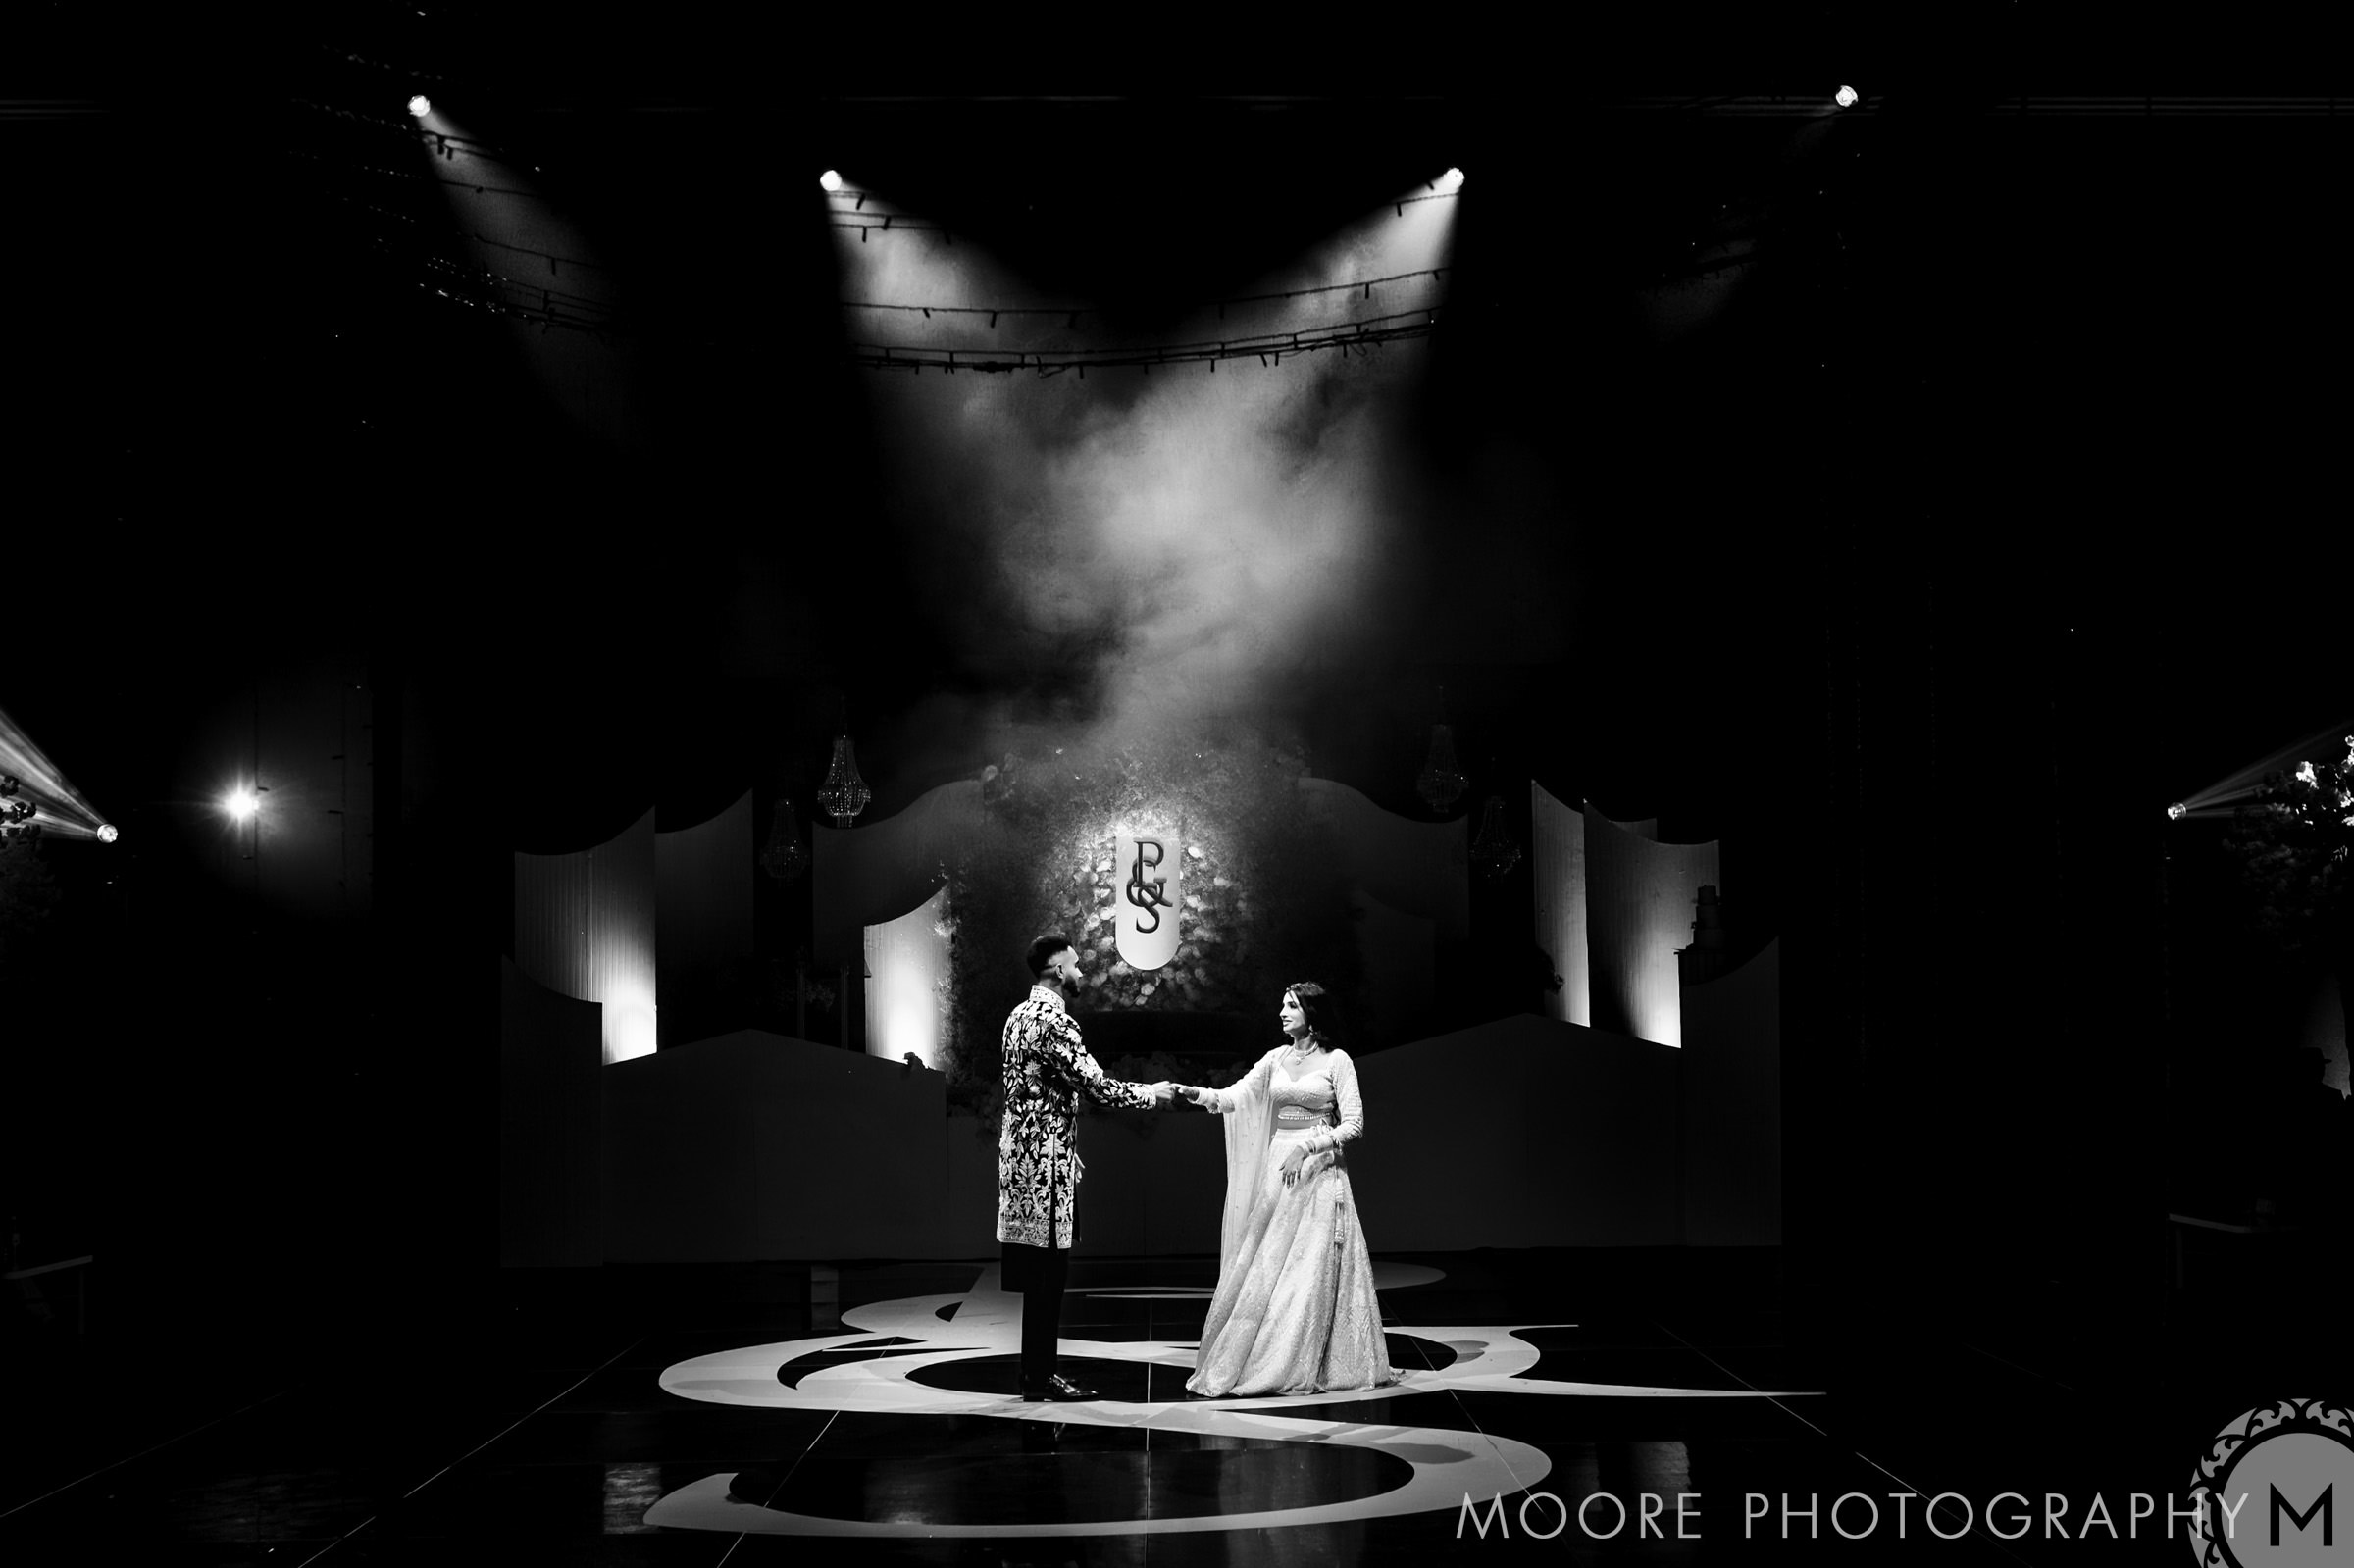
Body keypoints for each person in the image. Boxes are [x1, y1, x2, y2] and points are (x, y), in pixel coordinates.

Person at [1179, 981, 1396, 1397]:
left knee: (1307, 1272)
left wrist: (1307, 1146)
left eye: (1291, 1005)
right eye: (1282, 1004)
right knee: (1265, 1269)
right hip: (1280, 1170)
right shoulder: (1276, 1058)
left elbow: (1354, 1123)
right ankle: (1262, 1355)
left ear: (1312, 1014)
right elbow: (1237, 1096)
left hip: (1317, 1172)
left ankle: (1303, 1356)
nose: (1282, 1011)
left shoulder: (1337, 1061)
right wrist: (1197, 1094)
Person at [998, 932, 1174, 1401]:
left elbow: (1026, 1093)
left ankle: (1034, 1374)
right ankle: (1040, 1377)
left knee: (1036, 1278)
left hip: (1020, 1163)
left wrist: (1061, 1142)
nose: (1081, 973)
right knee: (1048, 1279)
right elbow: (1096, 1085)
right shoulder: (1055, 1021)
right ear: (1057, 970)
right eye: (1075, 965)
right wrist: (1149, 1094)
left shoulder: (1016, 1017)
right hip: (1045, 1173)